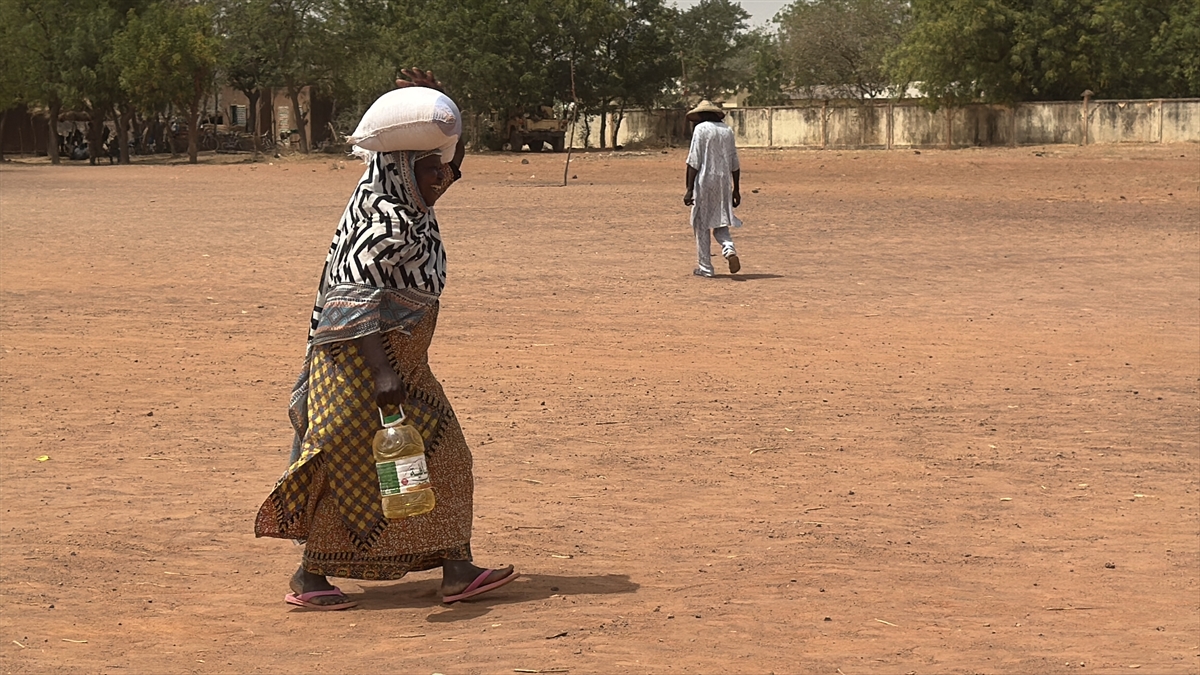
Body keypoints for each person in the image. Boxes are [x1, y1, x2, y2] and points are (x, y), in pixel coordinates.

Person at [255, 68, 517, 610]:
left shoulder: (406, 202)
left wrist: (438, 107)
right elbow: (347, 306)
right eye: (431, 171)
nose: (444, 180)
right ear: (401, 171)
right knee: (347, 471)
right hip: (359, 370)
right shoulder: (384, 224)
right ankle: (311, 578)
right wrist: (382, 373)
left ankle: (456, 568)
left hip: (403, 365)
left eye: (442, 168)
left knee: (440, 459)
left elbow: (449, 160)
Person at [683, 100, 742, 277]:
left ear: (701, 115)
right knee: (721, 220)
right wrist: (736, 189)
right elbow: (734, 162)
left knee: (701, 223)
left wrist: (689, 189)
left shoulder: (701, 130)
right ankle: (729, 249)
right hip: (724, 182)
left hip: (705, 180)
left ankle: (706, 267)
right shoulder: (727, 131)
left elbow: (693, 161)